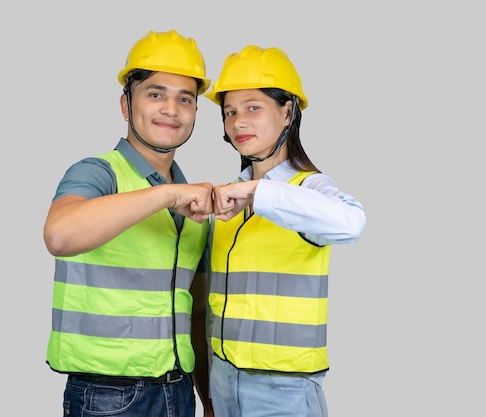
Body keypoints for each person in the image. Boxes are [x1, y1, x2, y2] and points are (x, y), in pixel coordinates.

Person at [43, 29, 215, 417]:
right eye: (156, 93)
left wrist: (208, 400)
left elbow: (196, 312)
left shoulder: (194, 205)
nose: (171, 109)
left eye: (184, 99)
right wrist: (168, 195)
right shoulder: (97, 173)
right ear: (126, 104)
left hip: (179, 390)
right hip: (107, 397)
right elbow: (59, 234)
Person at [203, 45, 367, 417]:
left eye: (253, 107)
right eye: (230, 112)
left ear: (288, 111)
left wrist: (258, 192)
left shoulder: (308, 188)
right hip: (224, 381)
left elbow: (352, 222)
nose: (238, 121)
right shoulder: (228, 200)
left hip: (284, 392)